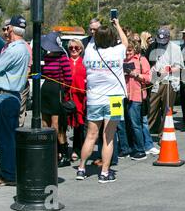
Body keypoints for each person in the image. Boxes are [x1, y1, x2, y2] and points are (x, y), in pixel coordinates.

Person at [77, 18, 128, 183]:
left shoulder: (90, 52)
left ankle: (81, 168)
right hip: (114, 99)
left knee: (91, 135)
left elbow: (93, 43)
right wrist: (117, 25)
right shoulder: (117, 51)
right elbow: (125, 42)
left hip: (94, 99)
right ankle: (104, 172)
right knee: (109, 137)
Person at [0, 15, 30, 187]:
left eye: (7, 28)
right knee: (11, 136)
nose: (5, 31)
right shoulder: (24, 48)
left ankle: (8, 174)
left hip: (4, 95)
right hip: (14, 95)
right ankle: (12, 170)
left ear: (11, 29)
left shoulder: (13, 49)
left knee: (5, 138)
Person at [41, 32, 73, 167]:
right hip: (46, 89)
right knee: (44, 123)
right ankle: (50, 151)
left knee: (56, 125)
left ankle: (63, 153)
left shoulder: (63, 58)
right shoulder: (46, 57)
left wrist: (63, 92)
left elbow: (69, 78)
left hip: (57, 90)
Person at [146, 27, 184, 135]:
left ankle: (163, 134)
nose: (161, 43)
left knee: (167, 109)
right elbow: (148, 61)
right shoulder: (153, 46)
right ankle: (146, 134)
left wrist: (167, 70)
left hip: (169, 82)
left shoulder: (175, 48)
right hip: (156, 82)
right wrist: (152, 67)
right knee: (151, 108)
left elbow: (179, 67)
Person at [66, 39, 87, 162]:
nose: (74, 50)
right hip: (67, 96)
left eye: (76, 48)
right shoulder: (66, 62)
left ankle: (77, 149)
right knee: (65, 123)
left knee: (79, 125)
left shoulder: (84, 62)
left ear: (81, 49)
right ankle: (62, 150)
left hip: (80, 97)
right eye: (71, 48)